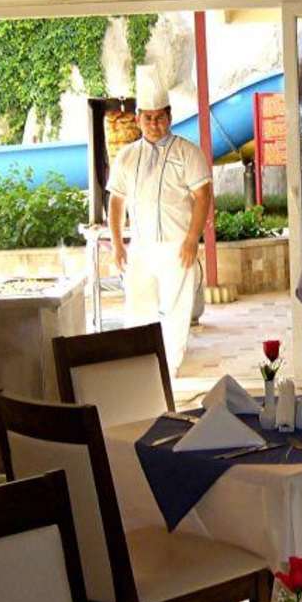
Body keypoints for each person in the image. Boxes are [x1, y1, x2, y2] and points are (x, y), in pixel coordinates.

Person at [108, 66, 213, 375]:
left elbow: (203, 196)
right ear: (138, 118)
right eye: (148, 118)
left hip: (177, 247)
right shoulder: (126, 157)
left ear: (170, 117)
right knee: (138, 308)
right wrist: (117, 244)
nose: (154, 124)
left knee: (176, 312)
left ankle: (169, 370)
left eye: (159, 117)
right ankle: (140, 370)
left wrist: (192, 239)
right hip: (141, 246)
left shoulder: (188, 153)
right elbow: (116, 200)